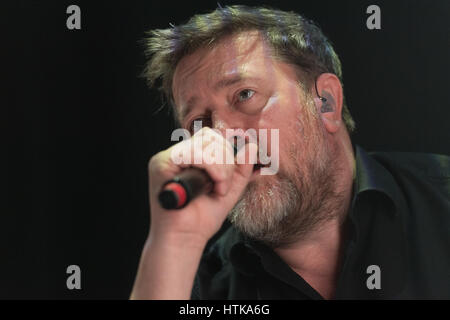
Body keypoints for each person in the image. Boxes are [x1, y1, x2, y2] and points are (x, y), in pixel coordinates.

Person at [130, 5, 450, 299]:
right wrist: (175, 243)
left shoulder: (441, 196)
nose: (220, 135)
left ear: (325, 102)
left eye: (244, 94)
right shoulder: (201, 287)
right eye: (199, 121)